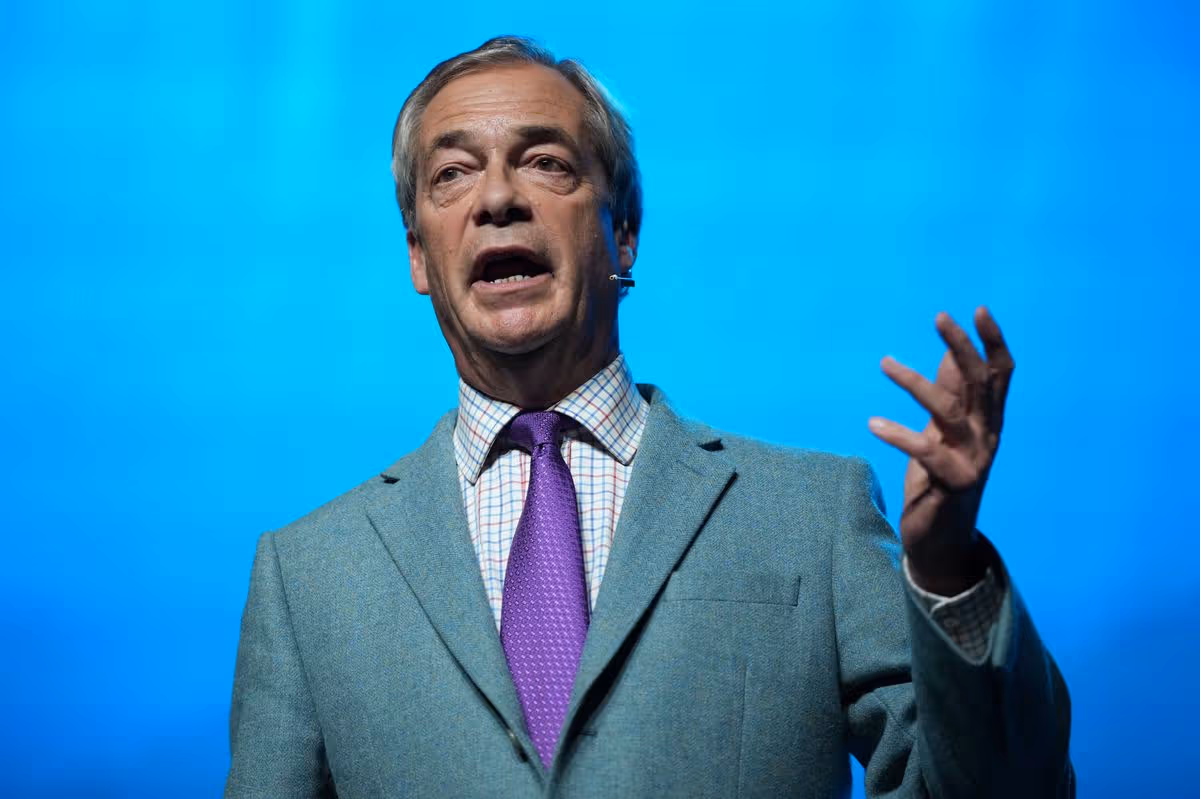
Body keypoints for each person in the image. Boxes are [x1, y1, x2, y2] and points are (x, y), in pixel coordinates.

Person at [225, 36, 1073, 798]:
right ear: (418, 253)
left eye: (545, 162)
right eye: (451, 174)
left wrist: (950, 568)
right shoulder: (306, 576)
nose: (496, 199)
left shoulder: (812, 515)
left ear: (623, 232)